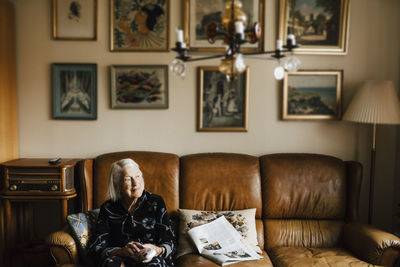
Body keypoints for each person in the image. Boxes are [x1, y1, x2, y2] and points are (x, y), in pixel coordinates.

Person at [88, 158, 176, 267]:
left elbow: (170, 241)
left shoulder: (155, 202)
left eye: (138, 176)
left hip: (151, 259)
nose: (136, 183)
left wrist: (157, 250)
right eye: (128, 179)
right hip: (120, 259)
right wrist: (121, 251)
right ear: (117, 184)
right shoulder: (108, 208)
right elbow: (96, 247)